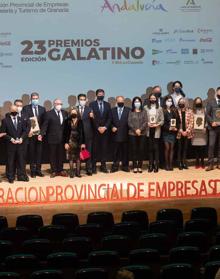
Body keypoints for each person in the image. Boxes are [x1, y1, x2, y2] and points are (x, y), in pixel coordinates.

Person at [0, 105, 29, 183]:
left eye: (15, 111)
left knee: (21, 161)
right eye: (13, 111)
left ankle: (21, 176)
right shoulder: (5, 120)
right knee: (10, 161)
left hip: (20, 144)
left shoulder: (22, 119)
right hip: (10, 145)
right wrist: (11, 139)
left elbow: (25, 131)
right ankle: (10, 177)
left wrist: (22, 138)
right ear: (10, 111)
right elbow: (3, 133)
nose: (14, 113)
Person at [40, 98, 68, 177]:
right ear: (54, 104)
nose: (59, 105)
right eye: (57, 104)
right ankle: (54, 171)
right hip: (52, 138)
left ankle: (60, 170)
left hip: (62, 138)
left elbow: (66, 126)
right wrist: (41, 134)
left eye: (60, 104)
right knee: (52, 155)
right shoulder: (49, 113)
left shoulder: (65, 113)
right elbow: (45, 125)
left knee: (61, 155)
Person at [23, 92, 46, 178]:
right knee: (32, 153)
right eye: (33, 98)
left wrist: (42, 133)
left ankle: (38, 170)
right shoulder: (26, 108)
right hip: (30, 135)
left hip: (39, 135)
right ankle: (32, 171)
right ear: (31, 99)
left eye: (36, 98)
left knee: (39, 153)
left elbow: (44, 123)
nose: (35, 100)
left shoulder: (42, 109)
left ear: (38, 99)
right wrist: (28, 131)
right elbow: (24, 121)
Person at [89, 89, 112, 173]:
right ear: (96, 95)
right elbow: (92, 118)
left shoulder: (107, 104)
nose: (101, 95)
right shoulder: (92, 104)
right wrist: (98, 127)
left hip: (105, 131)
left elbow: (110, 118)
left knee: (104, 149)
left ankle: (103, 166)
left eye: (102, 94)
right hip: (95, 131)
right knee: (95, 149)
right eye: (99, 94)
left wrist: (105, 127)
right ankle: (94, 167)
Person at [144, 93, 164, 172]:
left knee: (156, 148)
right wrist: (147, 123)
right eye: (151, 98)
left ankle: (156, 165)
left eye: (154, 98)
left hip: (157, 130)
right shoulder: (145, 108)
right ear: (149, 99)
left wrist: (157, 124)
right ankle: (150, 165)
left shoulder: (159, 108)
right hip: (149, 130)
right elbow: (144, 119)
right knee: (150, 149)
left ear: (156, 99)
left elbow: (162, 120)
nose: (152, 99)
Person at [111, 96, 130, 172]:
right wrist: (112, 127)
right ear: (116, 102)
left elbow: (131, 121)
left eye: (121, 101)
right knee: (115, 151)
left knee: (125, 151)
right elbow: (110, 121)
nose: (120, 102)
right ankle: (115, 166)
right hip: (115, 134)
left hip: (125, 134)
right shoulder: (112, 110)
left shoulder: (128, 110)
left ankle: (125, 166)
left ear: (124, 101)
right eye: (119, 101)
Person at [128, 96, 148, 173]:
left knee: (141, 150)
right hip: (132, 133)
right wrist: (135, 130)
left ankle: (139, 166)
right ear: (133, 103)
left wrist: (140, 129)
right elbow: (129, 122)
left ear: (141, 103)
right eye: (135, 102)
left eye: (138, 102)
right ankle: (134, 166)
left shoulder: (144, 111)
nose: (137, 103)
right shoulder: (131, 111)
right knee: (134, 150)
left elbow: (145, 122)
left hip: (142, 133)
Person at [64, 107, 85, 178]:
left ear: (77, 113)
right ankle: (71, 173)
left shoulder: (80, 121)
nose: (74, 114)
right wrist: (66, 143)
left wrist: (83, 143)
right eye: (72, 112)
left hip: (78, 141)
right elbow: (65, 133)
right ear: (70, 113)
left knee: (78, 158)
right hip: (70, 141)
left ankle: (78, 172)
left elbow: (83, 133)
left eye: (75, 112)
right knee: (71, 158)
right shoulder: (67, 121)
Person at [77, 93, 94, 176]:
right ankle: (78, 170)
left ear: (86, 100)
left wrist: (92, 117)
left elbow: (93, 123)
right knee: (78, 153)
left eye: (84, 99)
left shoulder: (89, 109)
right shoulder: (74, 109)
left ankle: (89, 169)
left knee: (87, 152)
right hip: (77, 135)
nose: (82, 101)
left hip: (87, 134)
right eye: (81, 99)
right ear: (78, 100)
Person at [162, 96, 180, 171]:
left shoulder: (174, 110)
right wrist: (168, 128)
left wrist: (176, 128)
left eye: (170, 101)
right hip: (166, 132)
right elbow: (162, 123)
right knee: (167, 148)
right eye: (168, 101)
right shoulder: (162, 110)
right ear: (165, 102)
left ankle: (171, 164)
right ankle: (166, 164)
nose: (169, 102)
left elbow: (178, 121)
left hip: (173, 132)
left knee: (172, 148)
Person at [177, 98, 194, 170]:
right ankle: (179, 163)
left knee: (185, 148)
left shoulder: (190, 111)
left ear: (186, 103)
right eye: (180, 102)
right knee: (179, 148)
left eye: (183, 102)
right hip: (179, 133)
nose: (181, 103)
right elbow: (176, 122)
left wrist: (187, 131)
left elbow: (191, 122)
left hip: (187, 133)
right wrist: (181, 131)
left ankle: (184, 162)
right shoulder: (176, 111)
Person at [206, 87, 220, 171]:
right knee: (211, 145)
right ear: (216, 92)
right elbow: (207, 114)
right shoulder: (211, 102)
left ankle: (219, 163)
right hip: (213, 128)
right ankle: (210, 164)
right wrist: (212, 122)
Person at [191, 97, 207, 168]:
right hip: (195, 131)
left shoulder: (204, 110)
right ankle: (197, 162)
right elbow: (191, 121)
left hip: (202, 132)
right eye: (197, 102)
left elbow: (206, 120)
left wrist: (205, 127)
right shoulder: (192, 111)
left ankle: (202, 162)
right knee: (196, 148)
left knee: (202, 148)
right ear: (195, 103)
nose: (198, 103)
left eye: (199, 102)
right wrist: (191, 128)